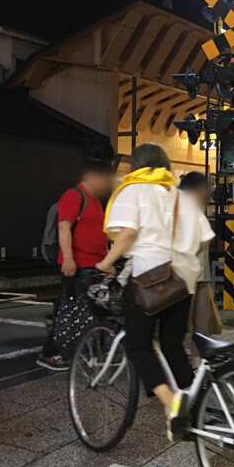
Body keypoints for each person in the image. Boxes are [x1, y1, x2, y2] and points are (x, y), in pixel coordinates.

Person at [98, 143, 214, 441]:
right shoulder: (181, 196)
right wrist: (178, 253)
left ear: (138, 165)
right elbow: (203, 240)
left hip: (148, 280)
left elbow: (127, 234)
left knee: (139, 346)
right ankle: (191, 409)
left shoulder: (133, 190)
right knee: (173, 345)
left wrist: (106, 263)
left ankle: (172, 403)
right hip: (182, 281)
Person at [37, 159, 113, 371]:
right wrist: (69, 259)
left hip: (94, 266)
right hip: (78, 266)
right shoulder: (74, 196)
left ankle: (94, 353)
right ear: (91, 176)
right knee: (70, 312)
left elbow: (99, 233)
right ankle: (49, 354)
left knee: (95, 310)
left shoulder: (95, 200)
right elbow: (64, 228)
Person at [179, 172, 222, 364]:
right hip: (182, 279)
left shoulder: (198, 211)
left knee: (202, 325)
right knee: (181, 326)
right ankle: (177, 366)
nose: (206, 196)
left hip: (202, 278)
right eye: (203, 190)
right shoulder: (177, 212)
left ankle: (198, 364)